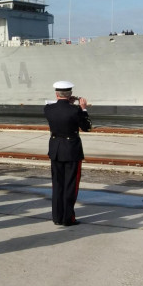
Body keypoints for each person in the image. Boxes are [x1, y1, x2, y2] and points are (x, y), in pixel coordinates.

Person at [43, 81, 92, 226]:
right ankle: (68, 217)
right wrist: (83, 109)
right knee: (70, 185)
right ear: (70, 94)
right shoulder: (75, 110)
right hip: (71, 150)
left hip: (56, 149)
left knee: (57, 185)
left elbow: (57, 107)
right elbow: (87, 127)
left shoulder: (48, 109)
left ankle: (57, 217)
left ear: (56, 94)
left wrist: (66, 101)